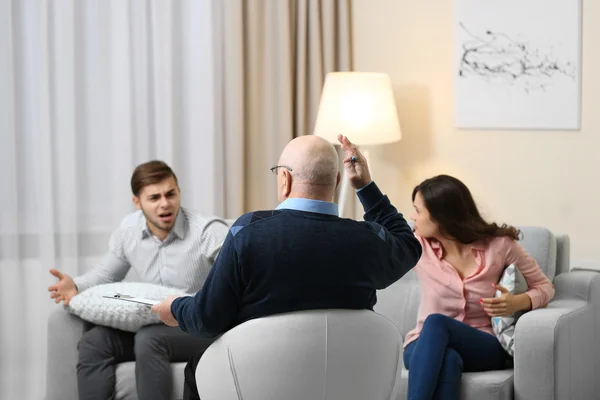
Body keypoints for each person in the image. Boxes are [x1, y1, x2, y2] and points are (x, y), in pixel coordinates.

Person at [151, 134, 423, 399]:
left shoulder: (249, 232)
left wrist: (174, 307)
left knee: (198, 367)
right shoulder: (367, 240)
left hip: (259, 382)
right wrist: (365, 186)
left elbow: (206, 320)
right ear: (337, 181)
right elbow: (409, 246)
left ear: (285, 178)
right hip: (347, 380)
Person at [47, 160, 230, 400]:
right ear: (137, 202)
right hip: (152, 320)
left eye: (170, 194)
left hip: (196, 326)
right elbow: (105, 275)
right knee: (94, 342)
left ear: (179, 193)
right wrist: (77, 286)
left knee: (150, 339)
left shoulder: (207, 232)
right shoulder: (129, 231)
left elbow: (237, 280)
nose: (165, 204)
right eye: (154, 198)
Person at [403, 174, 556, 400]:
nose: (412, 216)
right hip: (421, 344)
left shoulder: (500, 245)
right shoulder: (417, 245)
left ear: (441, 218)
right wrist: (363, 184)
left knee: (436, 322)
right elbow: (382, 224)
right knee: (449, 359)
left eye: (418, 211)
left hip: (482, 344)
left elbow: (545, 286)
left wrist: (517, 302)